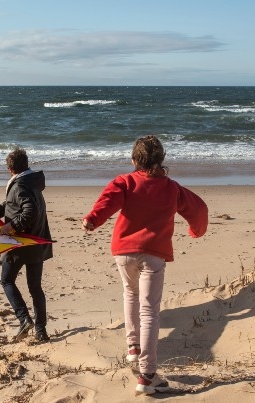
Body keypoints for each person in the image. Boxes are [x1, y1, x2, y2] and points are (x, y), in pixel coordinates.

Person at [81, 135, 208, 396]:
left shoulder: (125, 182)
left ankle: (133, 348)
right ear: (161, 160)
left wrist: (93, 220)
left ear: (134, 160)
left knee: (130, 294)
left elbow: (108, 200)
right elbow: (197, 209)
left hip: (124, 251)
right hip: (154, 254)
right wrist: (196, 230)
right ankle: (148, 375)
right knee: (149, 310)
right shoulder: (172, 188)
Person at [0, 148, 53, 342]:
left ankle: (24, 319)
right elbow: (7, 205)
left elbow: (28, 212)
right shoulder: (31, 182)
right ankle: (41, 331)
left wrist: (11, 226)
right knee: (35, 288)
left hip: (19, 244)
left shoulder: (20, 185)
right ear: (26, 164)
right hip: (36, 243)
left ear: (10, 169)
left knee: (7, 281)